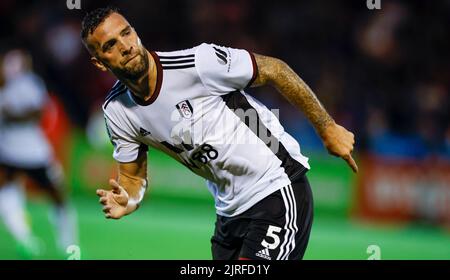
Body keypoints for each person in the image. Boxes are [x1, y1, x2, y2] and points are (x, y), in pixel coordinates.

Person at [81, 7, 357, 260]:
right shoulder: (117, 111)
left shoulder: (197, 64)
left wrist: (326, 126)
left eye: (126, 33)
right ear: (100, 63)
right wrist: (128, 199)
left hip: (277, 186)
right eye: (110, 46)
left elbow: (275, 69)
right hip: (229, 211)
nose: (126, 46)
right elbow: (132, 177)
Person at [0, 49, 77, 257]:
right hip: (17, 153)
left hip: (27, 152)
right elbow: (35, 113)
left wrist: (11, 115)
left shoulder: (27, 84)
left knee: (55, 196)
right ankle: (29, 240)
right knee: (9, 194)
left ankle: (64, 244)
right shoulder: (22, 84)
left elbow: (35, 113)